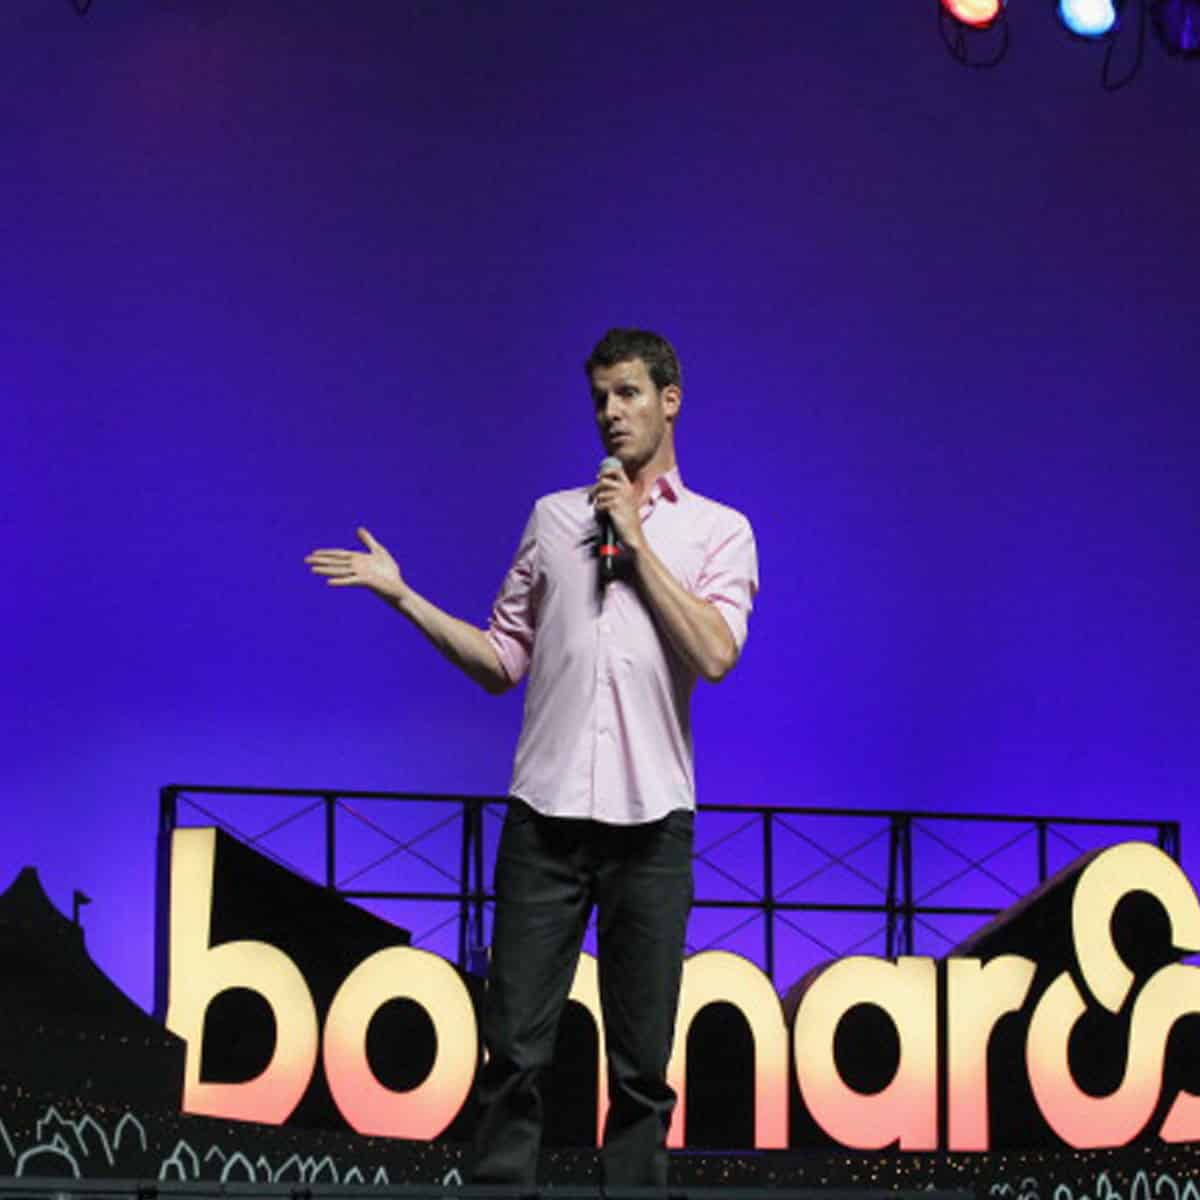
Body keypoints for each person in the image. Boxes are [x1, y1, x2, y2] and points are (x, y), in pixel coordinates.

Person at [305, 327, 758, 1187]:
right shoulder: (554, 519)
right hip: (544, 819)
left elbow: (715, 654)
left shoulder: (719, 531)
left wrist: (636, 534)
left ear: (671, 400)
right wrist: (405, 598)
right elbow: (500, 661)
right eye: (599, 398)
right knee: (513, 1051)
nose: (610, 413)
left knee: (641, 1062)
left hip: (651, 825)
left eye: (627, 393)